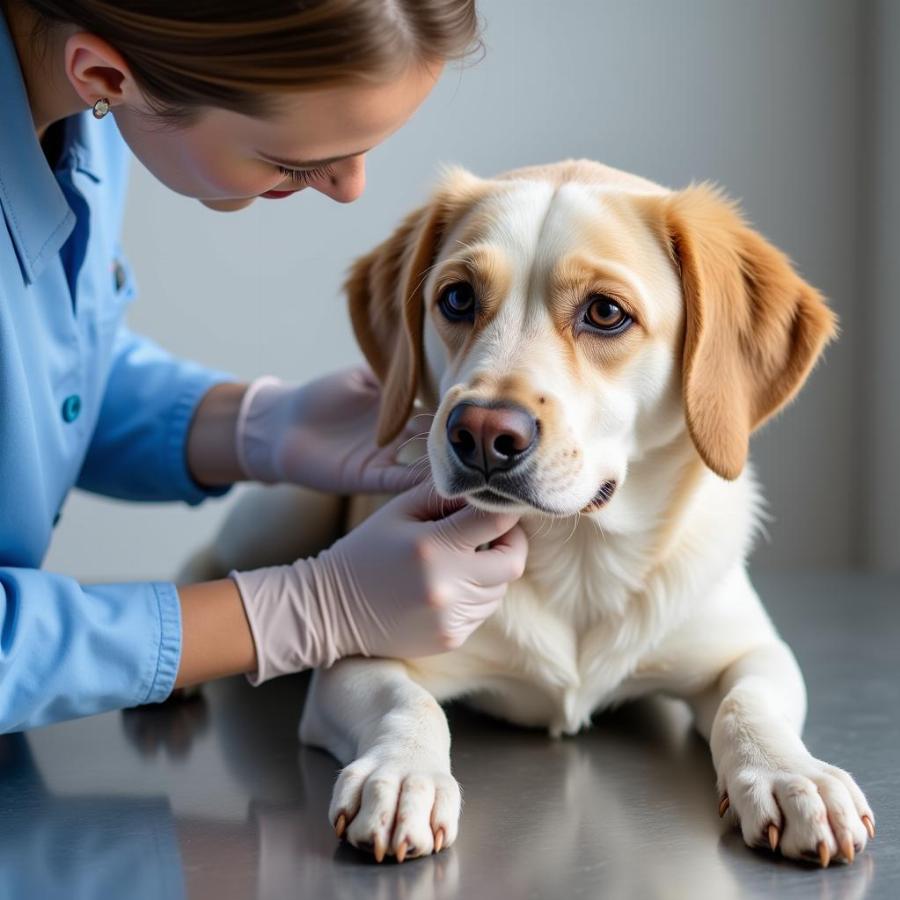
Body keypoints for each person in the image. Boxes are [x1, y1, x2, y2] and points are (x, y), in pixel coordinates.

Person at [0, 0, 528, 733]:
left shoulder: (90, 112)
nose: (352, 189)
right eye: (294, 163)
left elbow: (33, 369)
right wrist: (300, 610)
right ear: (103, 74)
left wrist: (252, 425)